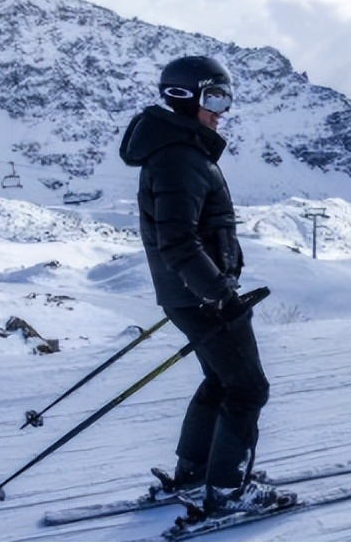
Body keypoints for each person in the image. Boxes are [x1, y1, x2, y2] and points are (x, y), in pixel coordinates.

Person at [119, 55, 282, 515]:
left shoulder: (180, 149)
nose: (222, 109)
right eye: (214, 97)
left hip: (194, 296)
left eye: (225, 97)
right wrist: (220, 295)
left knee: (221, 380)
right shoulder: (179, 157)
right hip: (203, 298)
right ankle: (228, 492)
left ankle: (197, 471)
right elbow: (178, 242)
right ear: (184, 97)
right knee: (248, 389)